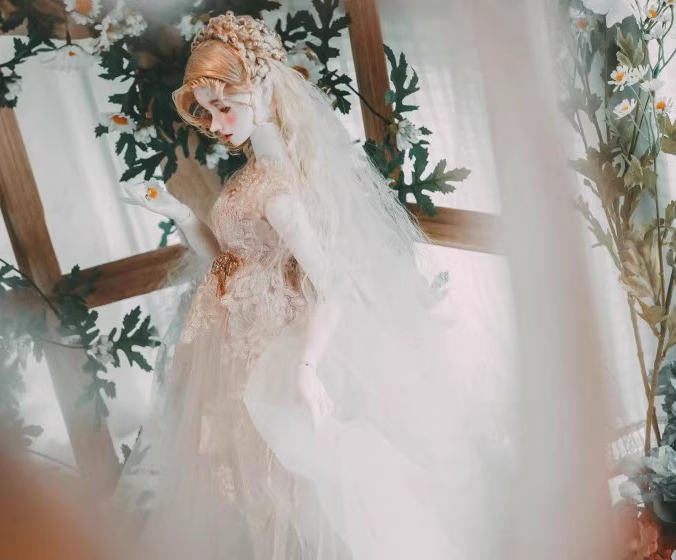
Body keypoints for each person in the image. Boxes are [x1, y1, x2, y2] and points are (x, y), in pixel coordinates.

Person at [114, 12, 495, 559]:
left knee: (301, 478)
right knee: (262, 483)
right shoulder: (249, 178)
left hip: (277, 342)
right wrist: (181, 216)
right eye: (209, 111)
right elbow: (227, 262)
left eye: (225, 106)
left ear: (261, 90)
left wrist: (308, 364)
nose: (216, 123)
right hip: (239, 343)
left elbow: (333, 284)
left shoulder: (279, 191)